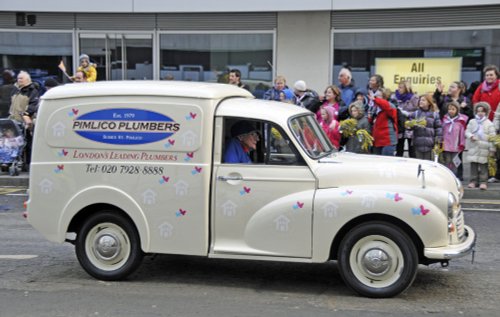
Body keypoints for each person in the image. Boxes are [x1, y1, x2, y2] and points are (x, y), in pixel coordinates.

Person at [472, 65, 500, 183]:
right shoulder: (481, 87)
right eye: (487, 75)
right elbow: (475, 101)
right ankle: (488, 174)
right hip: (485, 123)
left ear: (496, 75)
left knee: (497, 150)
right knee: (487, 149)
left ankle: (497, 175)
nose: (489, 77)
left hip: (498, 121)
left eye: (491, 75)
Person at [465, 102, 496, 190]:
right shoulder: (472, 121)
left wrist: (492, 149)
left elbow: (492, 137)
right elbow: (467, 131)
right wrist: (470, 136)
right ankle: (473, 181)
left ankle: (483, 181)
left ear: (486, 112)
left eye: (482, 111)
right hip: (474, 147)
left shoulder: (489, 123)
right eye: (478, 111)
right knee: (473, 166)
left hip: (484, 148)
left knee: (483, 167)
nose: (480, 113)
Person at [408, 93, 443, 161]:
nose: (421, 101)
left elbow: (438, 130)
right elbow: (409, 127)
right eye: (420, 100)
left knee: (429, 166)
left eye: (423, 100)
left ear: (429, 103)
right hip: (417, 145)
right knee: (419, 164)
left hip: (430, 146)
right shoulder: (415, 114)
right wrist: (411, 124)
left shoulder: (434, 114)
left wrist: (438, 144)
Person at [393, 79, 419, 158]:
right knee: (399, 148)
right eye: (398, 87)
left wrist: (407, 113)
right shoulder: (395, 97)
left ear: (406, 88)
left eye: (401, 87)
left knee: (412, 150)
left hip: (410, 125)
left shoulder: (414, 97)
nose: (399, 89)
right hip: (400, 125)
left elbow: (418, 111)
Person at [441, 101, 468, 177]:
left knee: (455, 162)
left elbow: (462, 134)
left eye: (453, 109)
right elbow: (442, 131)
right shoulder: (445, 120)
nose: (451, 111)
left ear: (457, 110)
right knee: (447, 161)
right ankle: (446, 176)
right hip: (446, 145)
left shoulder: (460, 121)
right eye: (449, 109)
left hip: (455, 146)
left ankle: (454, 177)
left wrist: (462, 144)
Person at [369, 88, 398, 156]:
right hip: (377, 141)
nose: (376, 97)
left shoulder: (390, 106)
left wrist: (374, 99)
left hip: (388, 141)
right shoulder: (375, 108)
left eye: (378, 95)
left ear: (385, 96)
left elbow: (385, 105)